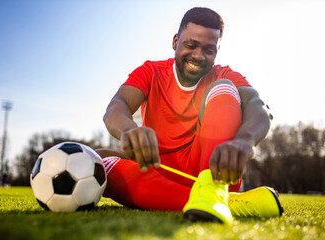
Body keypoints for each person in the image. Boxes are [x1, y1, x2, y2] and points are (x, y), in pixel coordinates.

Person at [96, 7, 283, 224]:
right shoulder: (151, 71)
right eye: (191, 45)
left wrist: (245, 140)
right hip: (159, 172)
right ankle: (228, 204)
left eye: (209, 50)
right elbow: (117, 105)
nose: (198, 56)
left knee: (224, 87)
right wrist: (128, 129)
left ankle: (212, 192)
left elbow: (259, 107)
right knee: (96, 160)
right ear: (176, 41)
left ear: (217, 51)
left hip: (214, 170)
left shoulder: (223, 73)